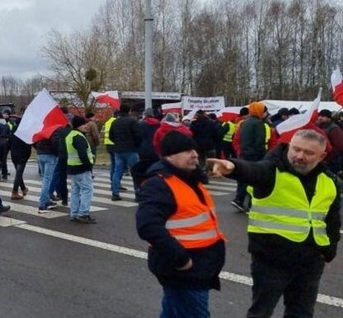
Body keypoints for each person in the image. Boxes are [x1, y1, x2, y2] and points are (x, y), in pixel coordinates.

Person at [209, 129, 340, 317]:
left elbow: (333, 219)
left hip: (310, 261)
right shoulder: (272, 170)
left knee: (302, 313)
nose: (300, 156)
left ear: (322, 156)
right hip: (272, 259)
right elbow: (254, 171)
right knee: (261, 312)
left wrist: (329, 249)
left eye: (309, 153)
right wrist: (233, 167)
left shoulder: (328, 181)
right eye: (296, 149)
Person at [136, 131, 226, 318]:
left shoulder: (189, 178)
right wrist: (181, 260)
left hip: (198, 266)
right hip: (184, 271)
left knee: (174, 311)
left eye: (193, 149)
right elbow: (148, 226)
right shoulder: (159, 184)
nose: (194, 154)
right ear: (169, 156)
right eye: (186, 151)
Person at [232, 101, 268, 212]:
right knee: (254, 179)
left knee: (244, 177)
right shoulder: (259, 124)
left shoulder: (245, 123)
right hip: (255, 155)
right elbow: (260, 141)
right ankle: (252, 204)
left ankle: (239, 199)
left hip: (244, 153)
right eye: (264, 111)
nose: (265, 114)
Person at [64, 116, 96, 223]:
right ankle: (83, 213)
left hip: (72, 167)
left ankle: (74, 213)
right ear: (79, 125)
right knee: (87, 190)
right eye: (83, 124)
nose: (86, 126)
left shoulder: (70, 135)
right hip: (81, 168)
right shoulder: (79, 137)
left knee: (75, 191)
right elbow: (83, 154)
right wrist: (89, 166)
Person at [109, 104, 141, 201]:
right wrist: (136, 145)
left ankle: (115, 193)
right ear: (129, 111)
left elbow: (111, 137)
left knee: (117, 171)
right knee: (135, 172)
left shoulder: (115, 122)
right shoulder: (132, 121)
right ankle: (138, 194)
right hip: (131, 150)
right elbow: (138, 135)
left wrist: (117, 143)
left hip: (118, 150)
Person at [317, 109, 343, 175]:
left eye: (323, 116)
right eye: (319, 116)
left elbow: (339, 146)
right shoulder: (319, 127)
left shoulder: (334, 129)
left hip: (331, 161)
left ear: (328, 118)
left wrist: (327, 158)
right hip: (320, 159)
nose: (320, 118)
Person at [9, 126, 31, 200]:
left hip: (14, 155)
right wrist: (27, 156)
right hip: (22, 155)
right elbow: (28, 146)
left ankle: (23, 188)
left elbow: (9, 143)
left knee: (19, 173)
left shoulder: (14, 130)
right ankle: (14, 192)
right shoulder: (25, 133)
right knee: (19, 174)